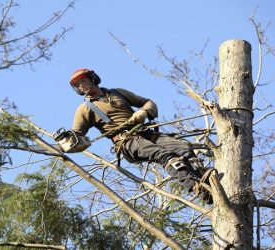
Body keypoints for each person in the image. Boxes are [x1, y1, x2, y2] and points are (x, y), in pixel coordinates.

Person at [68, 68, 213, 204]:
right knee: (163, 155)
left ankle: (206, 182)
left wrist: (143, 112)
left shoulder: (117, 93)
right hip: (127, 141)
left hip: (146, 133)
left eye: (83, 81)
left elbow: (148, 102)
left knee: (184, 148)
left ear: (92, 78)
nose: (81, 86)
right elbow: (76, 137)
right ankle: (196, 188)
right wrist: (63, 145)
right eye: (77, 85)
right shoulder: (84, 108)